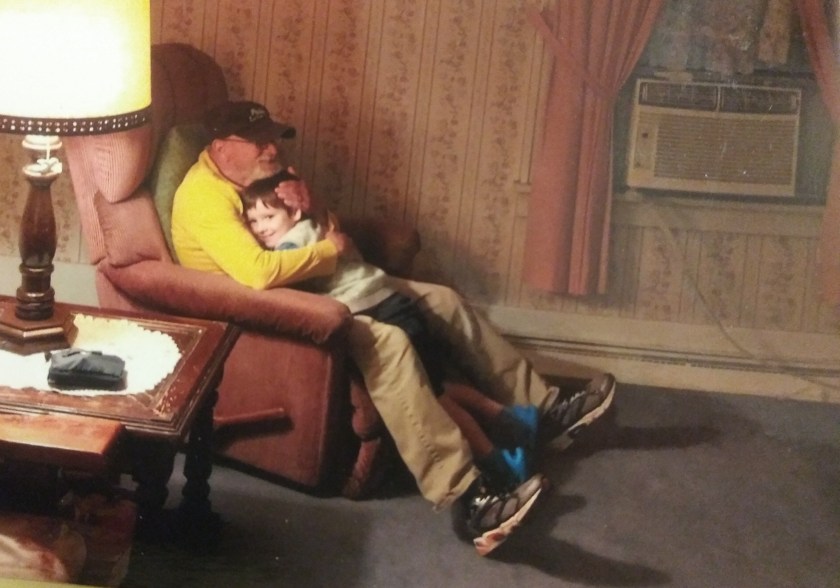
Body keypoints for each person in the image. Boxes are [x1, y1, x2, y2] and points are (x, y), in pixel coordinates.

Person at [171, 100, 617, 556]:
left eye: (272, 138)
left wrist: (314, 207)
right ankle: (469, 500)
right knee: (390, 344)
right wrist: (330, 250)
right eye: (259, 142)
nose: (272, 149)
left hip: (319, 283)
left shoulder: (267, 175)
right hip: (270, 312)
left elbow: (325, 230)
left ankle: (544, 410)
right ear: (222, 149)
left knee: (443, 301)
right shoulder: (203, 197)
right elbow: (260, 272)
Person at [240, 171, 541, 488]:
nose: (260, 228)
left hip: (375, 308)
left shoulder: (292, 245)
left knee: (433, 395)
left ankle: (498, 459)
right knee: (437, 384)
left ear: (294, 213)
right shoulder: (318, 226)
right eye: (253, 221)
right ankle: (510, 420)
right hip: (391, 300)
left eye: (269, 217)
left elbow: (275, 273)